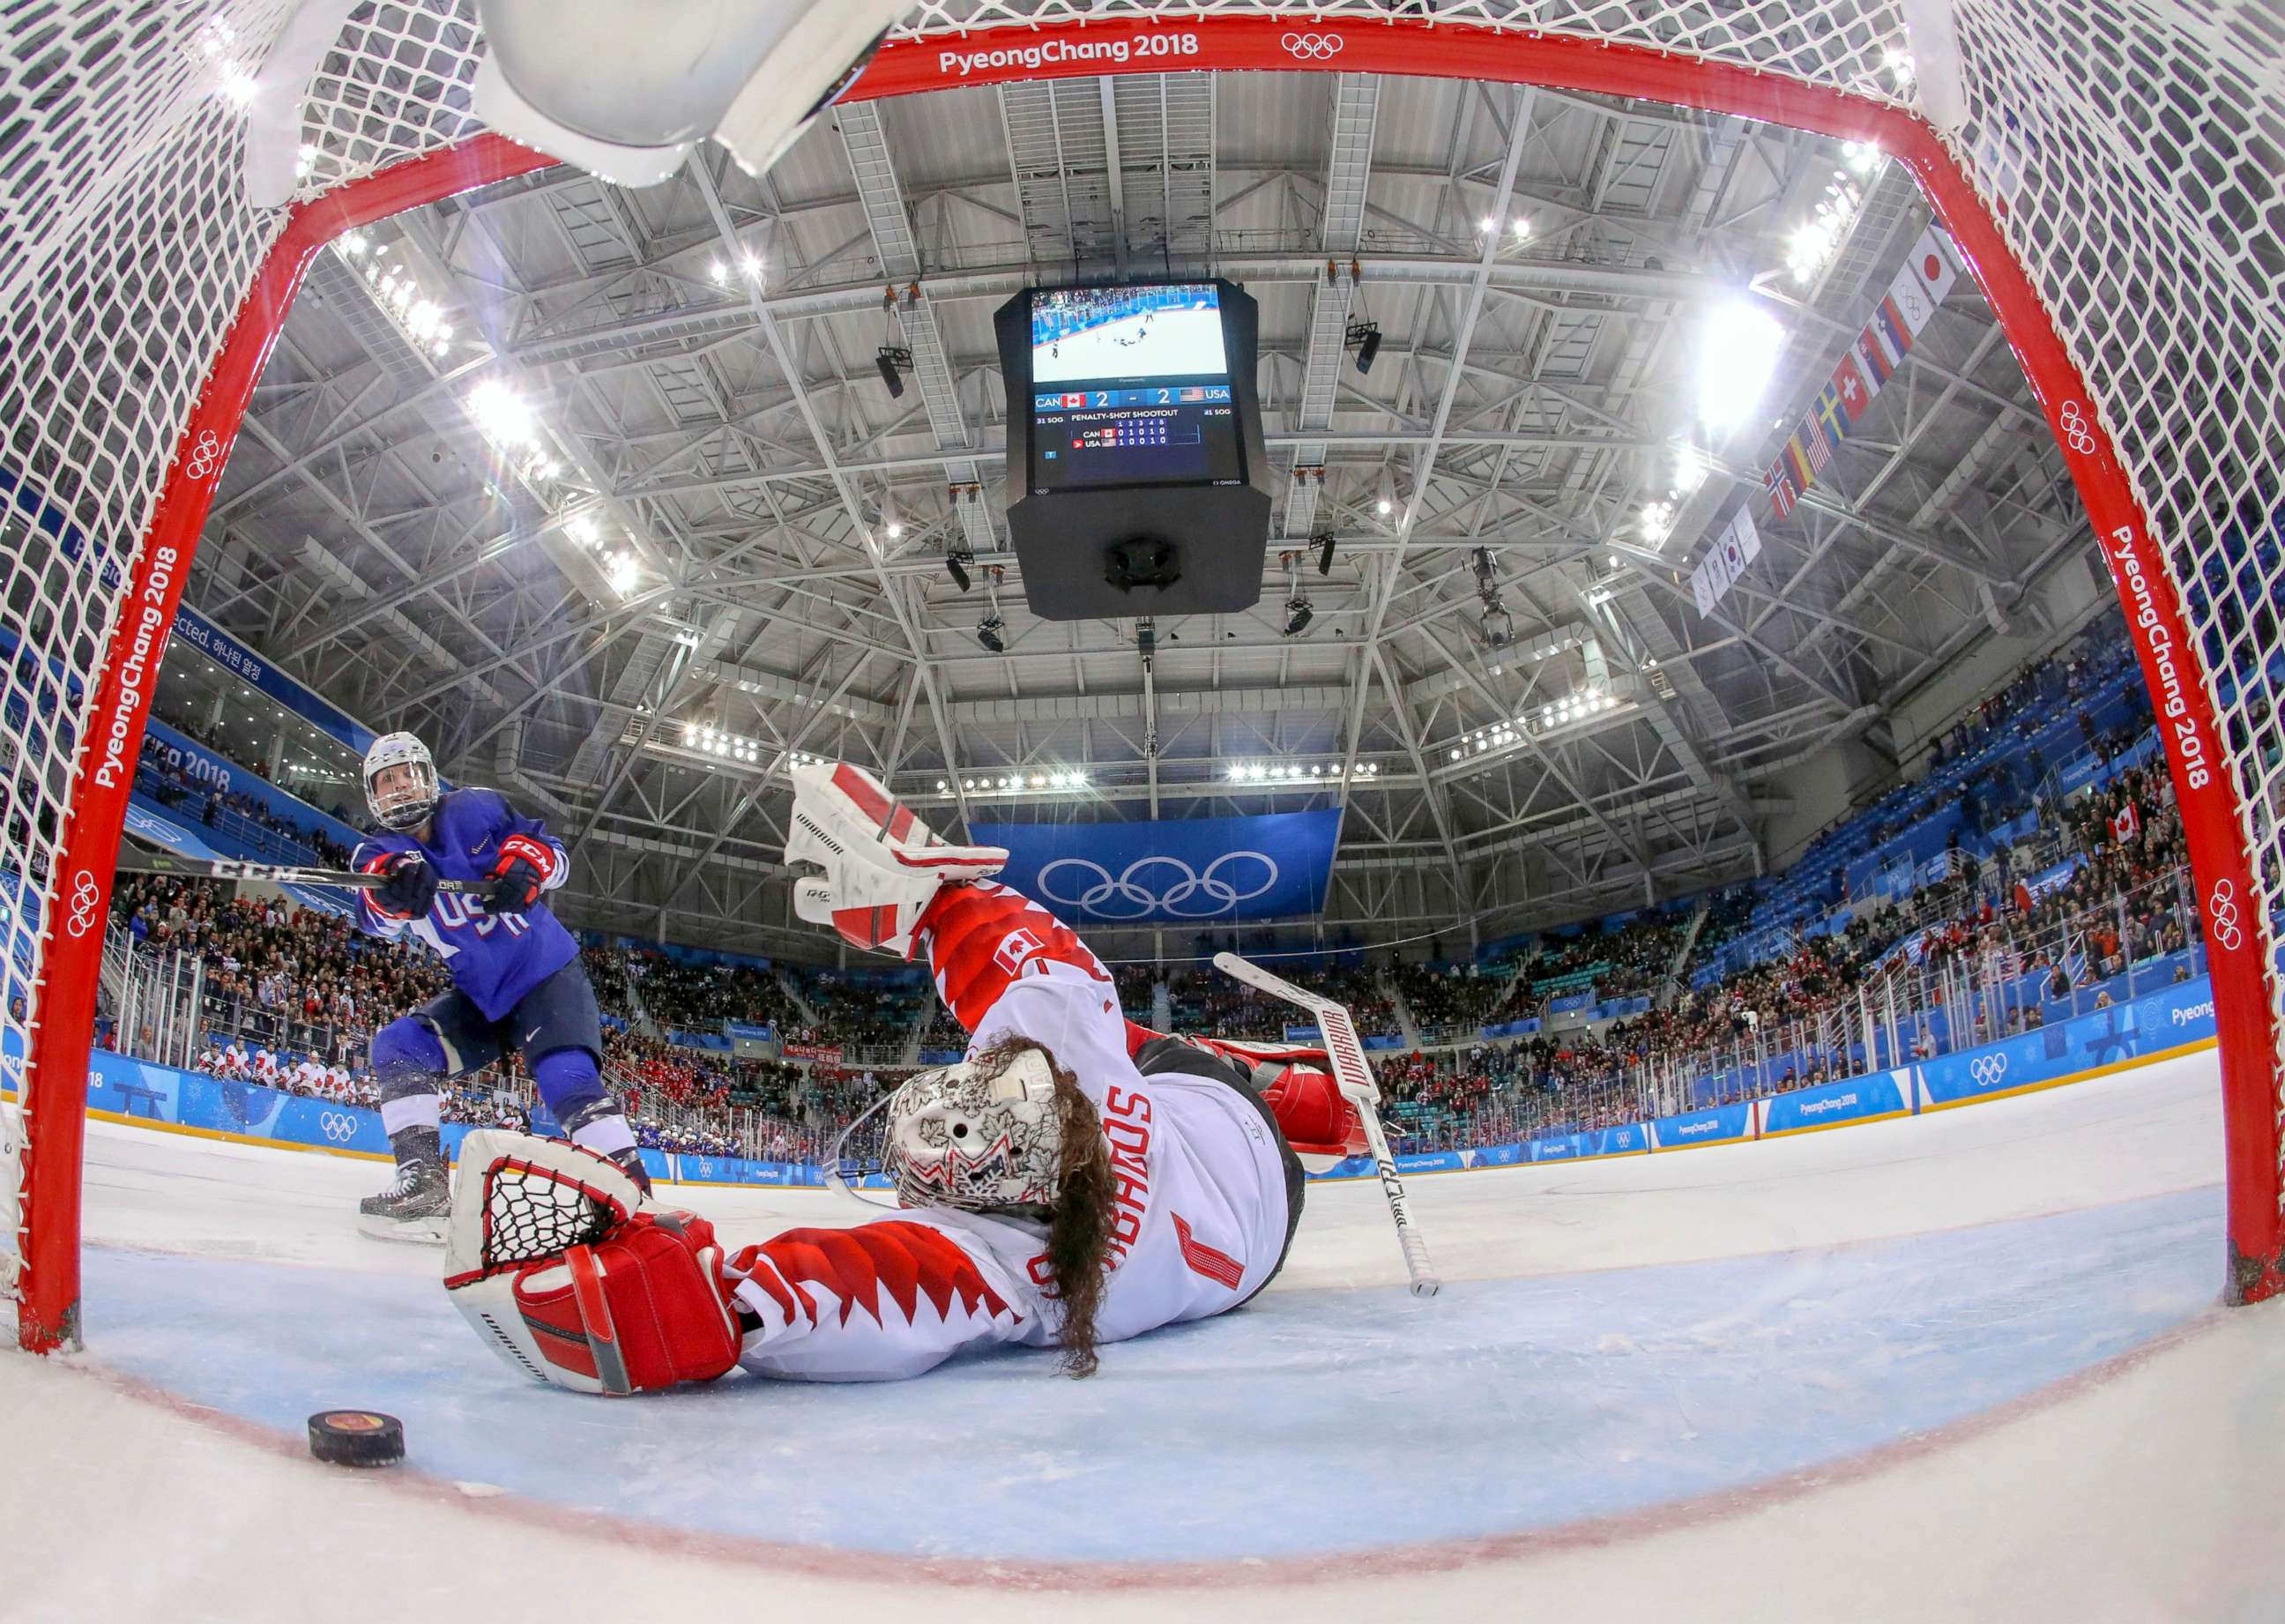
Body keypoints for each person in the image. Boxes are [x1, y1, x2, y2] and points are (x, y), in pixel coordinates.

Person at [444, 761, 1367, 1394]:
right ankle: (1302, 1097)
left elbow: (873, 1289)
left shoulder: (1026, 1275)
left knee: (1131, 1046)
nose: (966, 1088)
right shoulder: (1083, 1092)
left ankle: (1301, 1104)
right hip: (1208, 1113)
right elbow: (1051, 979)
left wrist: (712, 1306)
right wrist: (932, 898)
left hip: (1246, 1229)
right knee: (1138, 1044)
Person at [350, 731, 643, 1241]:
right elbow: (374, 920)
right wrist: (393, 892)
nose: (398, 788)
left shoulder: (476, 808)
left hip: (545, 977)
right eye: (386, 780)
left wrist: (532, 865)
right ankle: (423, 1184)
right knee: (397, 1048)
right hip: (483, 1000)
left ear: (427, 778)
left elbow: (554, 855)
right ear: (374, 795)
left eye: (405, 775)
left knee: (564, 1079)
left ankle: (633, 1200)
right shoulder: (377, 854)